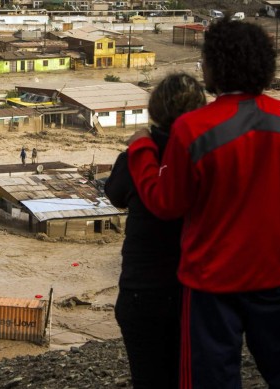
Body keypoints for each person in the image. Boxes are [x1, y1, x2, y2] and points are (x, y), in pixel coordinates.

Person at [127, 19, 280, 389]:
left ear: (217, 66)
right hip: (272, 277)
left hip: (210, 283)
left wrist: (140, 151)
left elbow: (165, 202)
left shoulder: (193, 128)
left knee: (211, 377)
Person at [105, 73, 206, 389]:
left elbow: (114, 193)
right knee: (187, 376)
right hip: (193, 292)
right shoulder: (208, 154)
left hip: (141, 292)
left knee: (147, 378)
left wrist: (139, 146)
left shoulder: (137, 155)